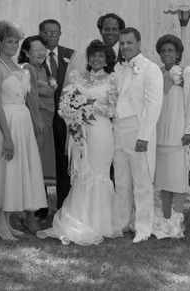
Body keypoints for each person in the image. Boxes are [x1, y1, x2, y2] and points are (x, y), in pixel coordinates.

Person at [37, 40, 122, 245]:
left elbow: (112, 111)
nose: (96, 59)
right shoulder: (78, 78)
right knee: (82, 172)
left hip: (101, 132)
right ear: (88, 58)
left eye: (101, 56)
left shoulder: (112, 80)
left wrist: (88, 106)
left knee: (99, 172)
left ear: (107, 59)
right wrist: (73, 113)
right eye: (93, 55)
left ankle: (100, 221)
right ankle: (79, 217)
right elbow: (65, 105)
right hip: (80, 133)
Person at [0, 21, 47, 240]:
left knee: (15, 171)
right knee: (2, 169)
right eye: (9, 41)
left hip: (21, 122)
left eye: (16, 41)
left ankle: (6, 221)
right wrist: (6, 136)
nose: (14, 45)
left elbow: (26, 98)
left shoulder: (18, 67)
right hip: (3, 123)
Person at [112, 27, 163, 243]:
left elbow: (153, 105)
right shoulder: (118, 68)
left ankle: (143, 227)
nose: (125, 47)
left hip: (138, 129)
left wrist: (144, 136)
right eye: (122, 43)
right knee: (122, 180)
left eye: (129, 43)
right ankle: (122, 223)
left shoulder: (150, 69)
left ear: (139, 43)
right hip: (118, 129)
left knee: (142, 182)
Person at [151, 34, 190, 239]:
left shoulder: (187, 72)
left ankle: (177, 222)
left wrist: (188, 130)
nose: (166, 53)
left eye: (170, 50)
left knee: (177, 180)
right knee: (163, 179)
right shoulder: (156, 73)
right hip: (159, 132)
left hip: (177, 133)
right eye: (163, 50)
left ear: (178, 53)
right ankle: (165, 219)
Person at [18, 36, 57, 222]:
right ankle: (30, 213)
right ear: (26, 52)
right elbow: (31, 95)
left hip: (46, 122)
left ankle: (40, 208)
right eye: (36, 49)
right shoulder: (27, 69)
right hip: (37, 122)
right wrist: (36, 120)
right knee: (34, 166)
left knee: (41, 165)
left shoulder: (43, 68)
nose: (41, 52)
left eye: (43, 49)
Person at [39, 19, 75, 209]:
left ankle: (63, 207)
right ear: (40, 33)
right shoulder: (33, 54)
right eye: (48, 32)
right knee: (39, 165)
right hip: (42, 120)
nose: (52, 35)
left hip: (63, 121)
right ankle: (39, 209)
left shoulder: (71, 55)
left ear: (60, 34)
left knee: (63, 165)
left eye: (56, 32)